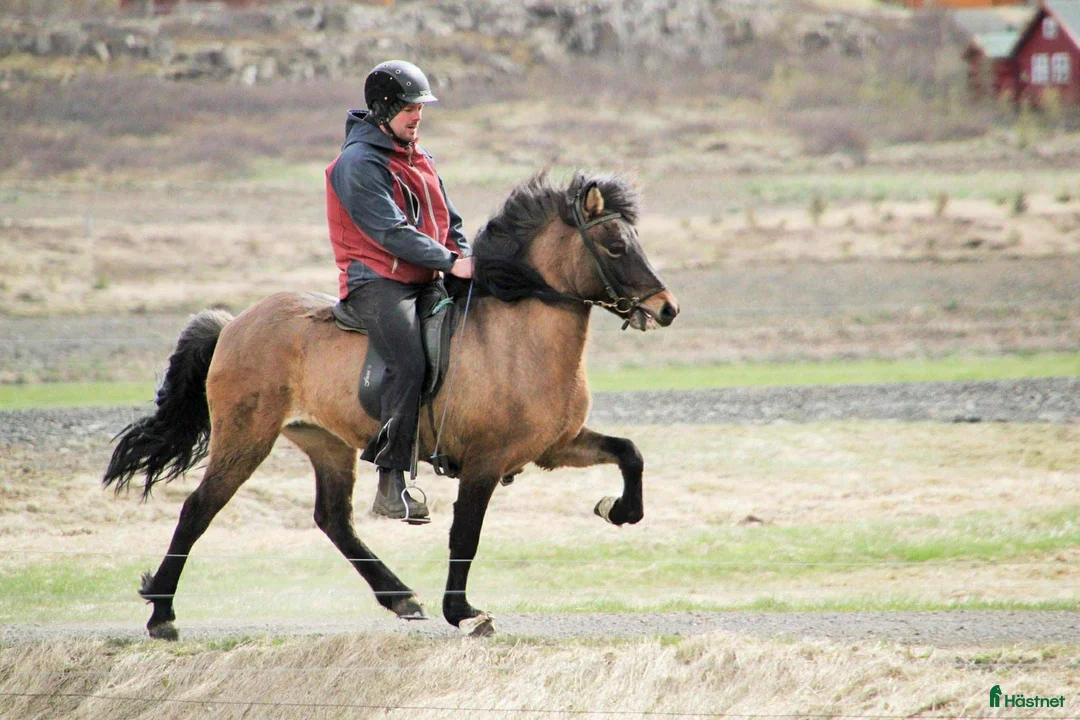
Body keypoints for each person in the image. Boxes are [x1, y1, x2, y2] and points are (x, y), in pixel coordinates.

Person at [325, 60, 474, 521]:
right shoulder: (357, 164)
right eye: (410, 108)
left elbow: (451, 221)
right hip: (376, 283)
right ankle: (391, 485)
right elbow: (390, 233)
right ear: (384, 109)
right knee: (408, 362)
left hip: (424, 275)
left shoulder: (418, 155)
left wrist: (463, 259)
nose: (418, 116)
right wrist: (450, 262)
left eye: (420, 108)